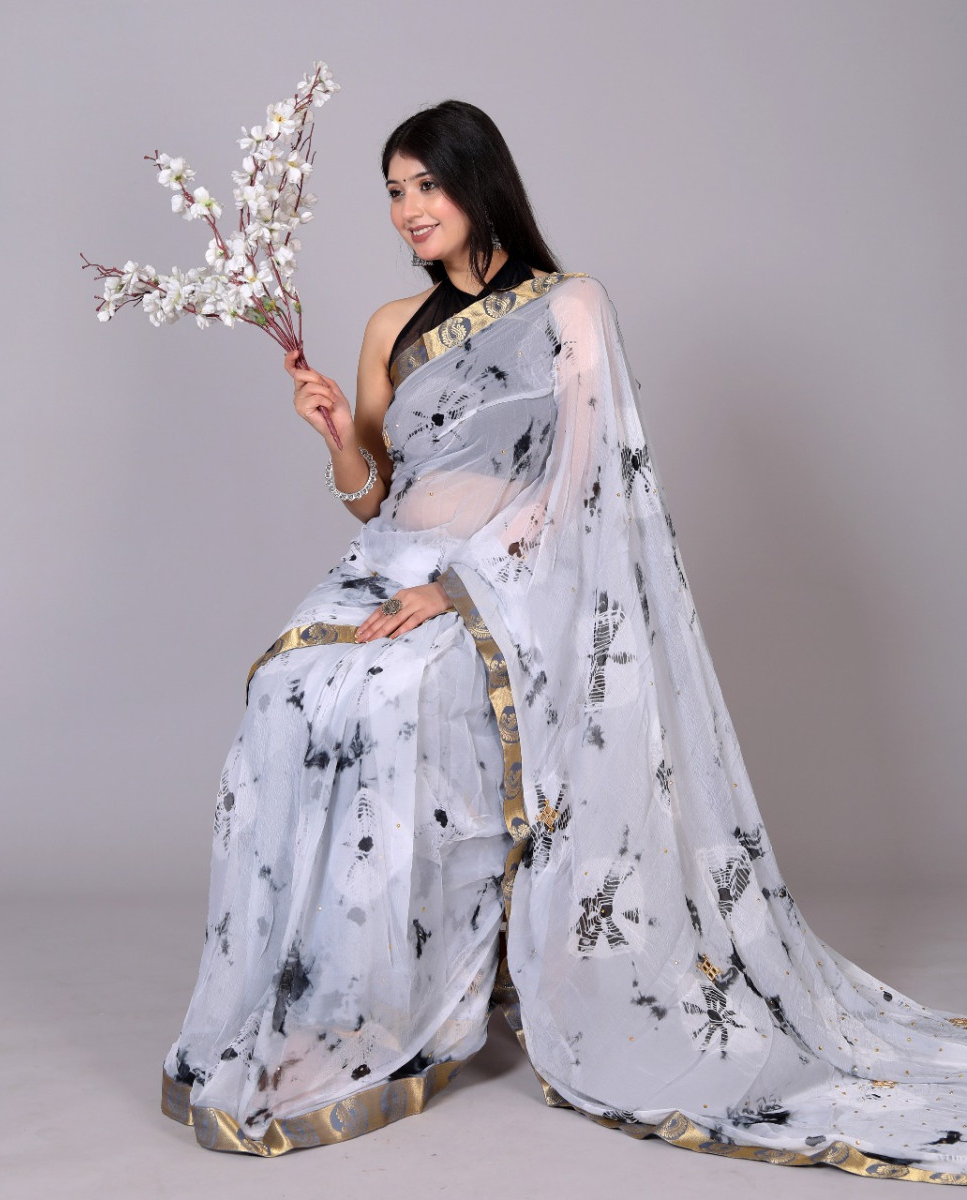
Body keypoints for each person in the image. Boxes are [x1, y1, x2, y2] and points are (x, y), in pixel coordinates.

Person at [161, 100, 967, 1182]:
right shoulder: (389, 326)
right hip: (385, 567)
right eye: (394, 192)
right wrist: (338, 437)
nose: (408, 210)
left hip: (506, 589)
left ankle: (409, 1000)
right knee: (290, 696)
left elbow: (585, 485)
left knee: (391, 697)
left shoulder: (567, 305)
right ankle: (327, 1006)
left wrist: (459, 592)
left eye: (426, 186)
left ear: (477, 182)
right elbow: (371, 495)